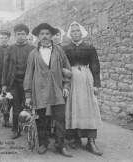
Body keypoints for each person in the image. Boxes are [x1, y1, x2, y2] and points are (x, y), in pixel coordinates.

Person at [24, 23, 72, 157]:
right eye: (42, 34)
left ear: (52, 36)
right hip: (39, 91)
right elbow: (28, 74)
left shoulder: (59, 51)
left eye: (47, 34)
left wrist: (66, 86)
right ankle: (43, 143)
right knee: (41, 118)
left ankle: (60, 144)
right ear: (38, 37)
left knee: (60, 118)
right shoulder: (33, 54)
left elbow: (67, 70)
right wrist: (28, 94)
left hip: (57, 90)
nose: (44, 36)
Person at [63, 21, 103, 156]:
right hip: (72, 80)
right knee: (73, 107)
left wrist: (96, 84)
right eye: (72, 31)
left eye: (77, 31)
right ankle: (75, 138)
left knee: (89, 108)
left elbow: (95, 66)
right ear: (70, 34)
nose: (75, 33)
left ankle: (91, 141)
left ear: (82, 33)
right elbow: (63, 66)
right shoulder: (65, 48)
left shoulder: (90, 48)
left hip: (86, 79)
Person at [2, 24, 35, 139]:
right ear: (15, 35)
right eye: (18, 34)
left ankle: (28, 127)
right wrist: (4, 84)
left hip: (28, 83)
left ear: (27, 35)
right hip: (14, 82)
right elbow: (5, 67)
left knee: (28, 106)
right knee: (16, 107)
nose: (21, 36)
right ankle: (15, 129)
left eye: (23, 34)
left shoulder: (32, 48)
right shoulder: (10, 48)